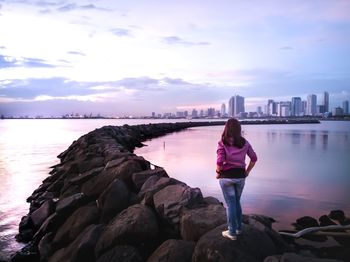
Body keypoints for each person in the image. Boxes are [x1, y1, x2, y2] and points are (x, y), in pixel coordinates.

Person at [216, 118, 257, 240]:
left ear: (226, 128)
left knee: (230, 205)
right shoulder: (245, 142)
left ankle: (232, 232)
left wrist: (218, 173)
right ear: (239, 129)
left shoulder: (222, 142)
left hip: (226, 177)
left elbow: (219, 161)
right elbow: (254, 158)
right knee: (237, 202)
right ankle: (239, 228)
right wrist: (247, 171)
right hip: (240, 177)